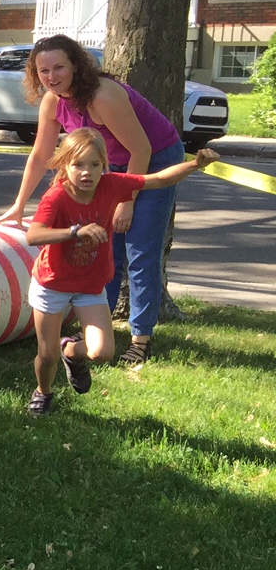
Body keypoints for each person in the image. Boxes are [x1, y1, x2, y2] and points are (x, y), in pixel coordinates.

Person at [0, 34, 188, 368]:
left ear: (75, 65)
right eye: (43, 71)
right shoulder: (53, 102)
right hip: (107, 165)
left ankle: (140, 339)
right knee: (104, 248)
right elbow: (40, 155)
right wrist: (19, 205)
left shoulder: (102, 96)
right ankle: (98, 330)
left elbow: (140, 149)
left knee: (140, 251)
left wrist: (126, 202)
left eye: (59, 67)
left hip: (154, 159)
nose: (51, 76)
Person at [23, 127, 220, 416]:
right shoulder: (56, 197)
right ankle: (43, 391)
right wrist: (76, 231)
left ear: (104, 165)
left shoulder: (112, 185)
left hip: (90, 285)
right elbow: (34, 235)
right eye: (78, 165)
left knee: (102, 352)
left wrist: (195, 165)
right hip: (52, 283)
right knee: (47, 353)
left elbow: (158, 179)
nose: (87, 172)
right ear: (64, 164)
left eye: (95, 164)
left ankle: (71, 352)